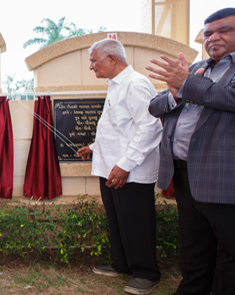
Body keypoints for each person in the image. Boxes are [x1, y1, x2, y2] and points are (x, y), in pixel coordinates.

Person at [146, 7, 235, 295]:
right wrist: (174, 92)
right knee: (194, 247)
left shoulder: (192, 76)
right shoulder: (198, 69)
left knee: (230, 252)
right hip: (185, 175)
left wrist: (185, 83)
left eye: (225, 30)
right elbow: (155, 106)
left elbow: (227, 96)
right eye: (208, 33)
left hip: (223, 178)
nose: (214, 38)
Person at [76, 39, 163, 295]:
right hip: (110, 168)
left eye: (94, 61)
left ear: (112, 59)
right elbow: (116, 126)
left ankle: (146, 273)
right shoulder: (115, 85)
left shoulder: (135, 84)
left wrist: (124, 166)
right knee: (118, 222)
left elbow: (149, 127)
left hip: (131, 172)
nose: (92, 66)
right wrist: (93, 147)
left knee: (136, 223)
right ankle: (122, 264)